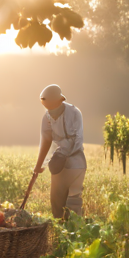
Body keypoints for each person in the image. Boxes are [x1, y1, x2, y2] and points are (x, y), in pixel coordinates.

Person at [33, 84, 87, 219]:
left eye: (52, 108)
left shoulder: (74, 113)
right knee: (56, 199)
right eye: (47, 109)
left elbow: (78, 139)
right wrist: (40, 165)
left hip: (75, 161)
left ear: (60, 102)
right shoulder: (47, 118)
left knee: (73, 199)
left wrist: (64, 154)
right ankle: (59, 229)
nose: (50, 111)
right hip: (57, 162)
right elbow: (46, 141)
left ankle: (74, 229)